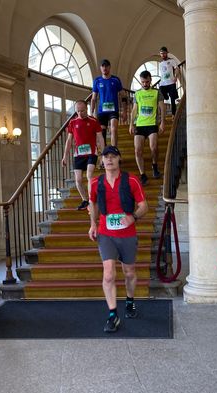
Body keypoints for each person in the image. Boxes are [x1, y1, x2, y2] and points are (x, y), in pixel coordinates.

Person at [88, 145, 148, 333]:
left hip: (127, 233)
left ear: (119, 158)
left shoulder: (131, 180)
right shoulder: (96, 183)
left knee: (129, 272)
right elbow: (93, 203)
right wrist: (93, 224)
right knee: (108, 273)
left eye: (113, 156)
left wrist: (133, 217)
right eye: (106, 157)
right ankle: (113, 314)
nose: (109, 160)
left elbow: (144, 206)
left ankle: (129, 302)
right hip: (106, 233)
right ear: (102, 161)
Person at [61, 100, 105, 210]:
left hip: (91, 153)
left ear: (87, 109)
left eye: (83, 111)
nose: (80, 113)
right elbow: (69, 140)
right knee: (78, 180)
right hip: (78, 154)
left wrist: (103, 156)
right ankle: (85, 200)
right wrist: (64, 156)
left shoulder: (94, 121)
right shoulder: (72, 122)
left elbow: (100, 138)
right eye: (78, 111)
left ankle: (91, 199)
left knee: (89, 175)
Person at [129, 70, 165, 185]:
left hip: (152, 124)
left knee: (153, 147)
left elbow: (162, 108)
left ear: (150, 81)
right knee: (137, 150)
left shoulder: (156, 92)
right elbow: (134, 110)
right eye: (143, 82)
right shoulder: (137, 93)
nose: (145, 84)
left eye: (147, 82)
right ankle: (143, 174)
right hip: (140, 125)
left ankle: (154, 166)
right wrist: (131, 124)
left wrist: (163, 122)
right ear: (141, 81)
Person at [91, 59, 123, 147]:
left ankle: (114, 151)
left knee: (113, 129)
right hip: (102, 111)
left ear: (109, 67)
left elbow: (123, 96)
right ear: (100, 68)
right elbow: (93, 98)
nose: (104, 68)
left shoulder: (116, 79)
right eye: (103, 66)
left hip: (113, 110)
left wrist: (124, 111)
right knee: (102, 133)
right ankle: (104, 153)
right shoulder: (97, 80)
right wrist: (92, 112)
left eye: (106, 66)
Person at [158, 46, 180, 116]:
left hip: (171, 82)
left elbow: (177, 69)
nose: (163, 55)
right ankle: (166, 97)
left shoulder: (172, 61)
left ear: (167, 53)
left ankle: (173, 114)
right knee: (161, 93)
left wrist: (176, 77)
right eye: (161, 53)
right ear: (160, 54)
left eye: (164, 53)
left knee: (173, 99)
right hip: (163, 84)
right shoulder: (160, 64)